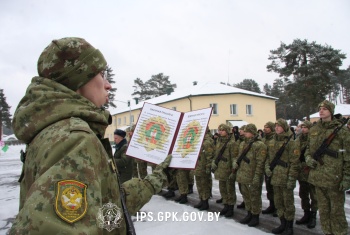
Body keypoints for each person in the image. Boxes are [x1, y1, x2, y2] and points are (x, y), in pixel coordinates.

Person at [9, 37, 171, 234]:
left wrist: (154, 181)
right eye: (101, 75)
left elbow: (105, 209)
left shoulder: (55, 130)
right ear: (79, 79)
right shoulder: (75, 139)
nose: (108, 85)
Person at [305, 100, 350, 235]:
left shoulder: (342, 131)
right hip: (318, 178)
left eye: (325, 108)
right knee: (324, 212)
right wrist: (308, 159)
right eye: (320, 108)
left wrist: (347, 178)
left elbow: (348, 156)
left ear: (331, 111)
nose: (321, 110)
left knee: (336, 213)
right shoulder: (314, 129)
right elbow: (308, 149)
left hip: (334, 179)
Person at [265, 119, 300, 235]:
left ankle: (289, 226)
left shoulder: (291, 143)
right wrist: (267, 169)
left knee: (288, 203)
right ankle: (282, 223)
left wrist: (291, 178)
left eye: (279, 126)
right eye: (276, 126)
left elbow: (295, 163)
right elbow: (268, 159)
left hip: (285, 177)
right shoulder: (272, 141)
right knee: (278, 202)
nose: (277, 128)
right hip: (275, 177)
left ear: (284, 127)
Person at [233, 124, 267, 227]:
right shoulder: (243, 143)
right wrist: (235, 163)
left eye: (247, 131)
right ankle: (249, 213)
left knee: (254, 197)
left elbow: (260, 163)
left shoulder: (260, 145)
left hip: (252, 175)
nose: (244, 133)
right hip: (243, 174)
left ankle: (255, 216)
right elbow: (238, 156)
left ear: (252, 132)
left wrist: (257, 176)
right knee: (246, 196)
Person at [211, 124, 238, 218]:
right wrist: (214, 161)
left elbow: (234, 158)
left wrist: (233, 171)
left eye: (222, 130)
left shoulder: (232, 143)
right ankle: (225, 205)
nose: (220, 132)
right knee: (222, 189)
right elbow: (216, 153)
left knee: (230, 190)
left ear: (227, 131)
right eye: (219, 130)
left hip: (228, 170)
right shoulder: (218, 141)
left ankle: (230, 208)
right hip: (220, 169)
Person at [295, 121, 318, 229]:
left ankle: (313, 216)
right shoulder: (298, 140)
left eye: (305, 127)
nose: (303, 129)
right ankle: (306, 213)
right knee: (303, 194)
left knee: (314, 195)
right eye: (302, 127)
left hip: (310, 171)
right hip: (301, 171)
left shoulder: (314, 139)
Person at [194, 127, 215, 210]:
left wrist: (208, 167)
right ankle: (201, 200)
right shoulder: (198, 140)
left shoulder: (207, 142)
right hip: (198, 166)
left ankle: (205, 202)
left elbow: (210, 156)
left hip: (203, 167)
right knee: (199, 185)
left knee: (204, 185)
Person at [261, 121, 277, 216]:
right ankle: (272, 205)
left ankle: (277, 207)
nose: (265, 128)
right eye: (264, 127)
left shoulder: (274, 139)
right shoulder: (263, 139)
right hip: (265, 166)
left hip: (273, 166)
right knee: (269, 188)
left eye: (267, 127)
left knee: (275, 189)